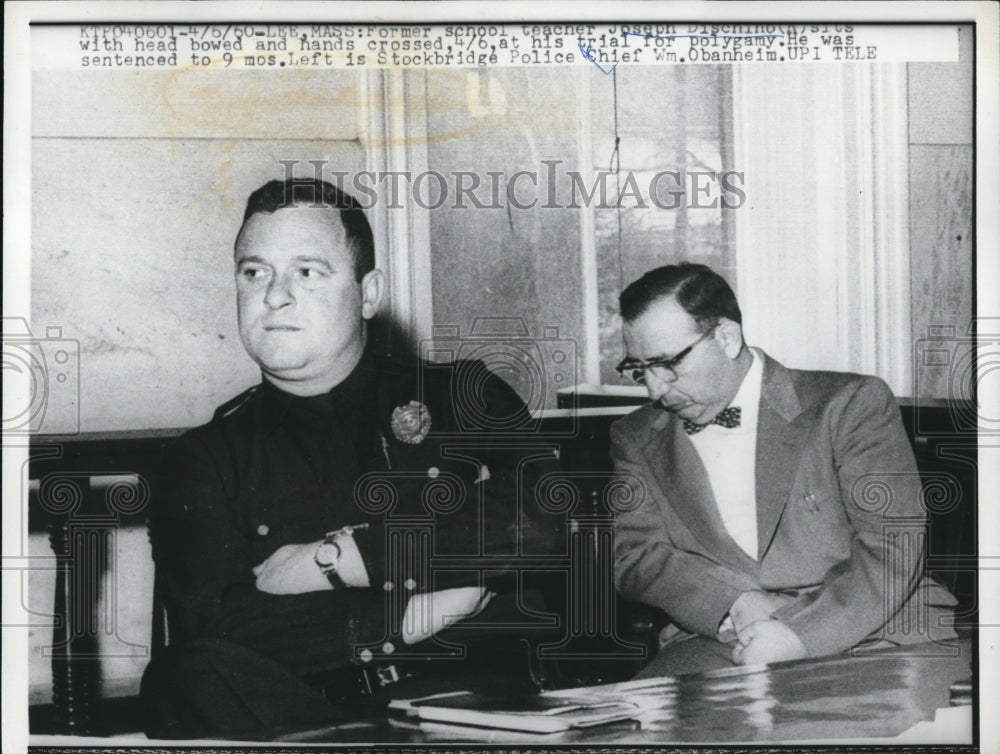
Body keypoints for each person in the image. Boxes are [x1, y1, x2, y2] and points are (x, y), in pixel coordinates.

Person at [141, 178, 562, 739]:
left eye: (307, 272)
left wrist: (342, 558)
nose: (274, 295)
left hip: (467, 701)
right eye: (254, 272)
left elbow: (544, 523)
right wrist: (412, 615)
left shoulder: (462, 397)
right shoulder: (203, 457)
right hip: (296, 715)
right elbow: (219, 624)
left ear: (368, 293)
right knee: (183, 676)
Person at [610, 263, 958, 678]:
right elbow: (632, 555)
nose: (654, 389)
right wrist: (734, 601)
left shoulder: (850, 404)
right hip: (720, 638)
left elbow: (893, 544)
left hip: (878, 627)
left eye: (667, 364)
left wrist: (800, 634)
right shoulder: (635, 435)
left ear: (726, 337)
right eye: (639, 369)